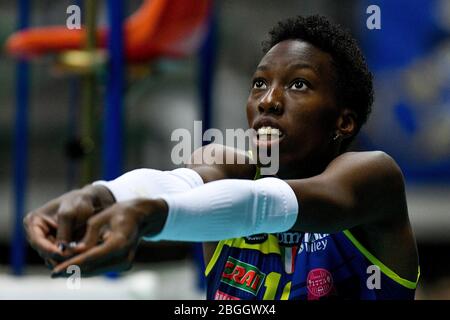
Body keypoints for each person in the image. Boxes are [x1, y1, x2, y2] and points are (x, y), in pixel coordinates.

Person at [23, 15, 419, 300]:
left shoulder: (373, 178)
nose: (268, 100)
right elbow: (174, 185)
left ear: (344, 122)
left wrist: (149, 216)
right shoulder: (227, 166)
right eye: (260, 84)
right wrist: (99, 196)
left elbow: (267, 203)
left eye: (298, 84)